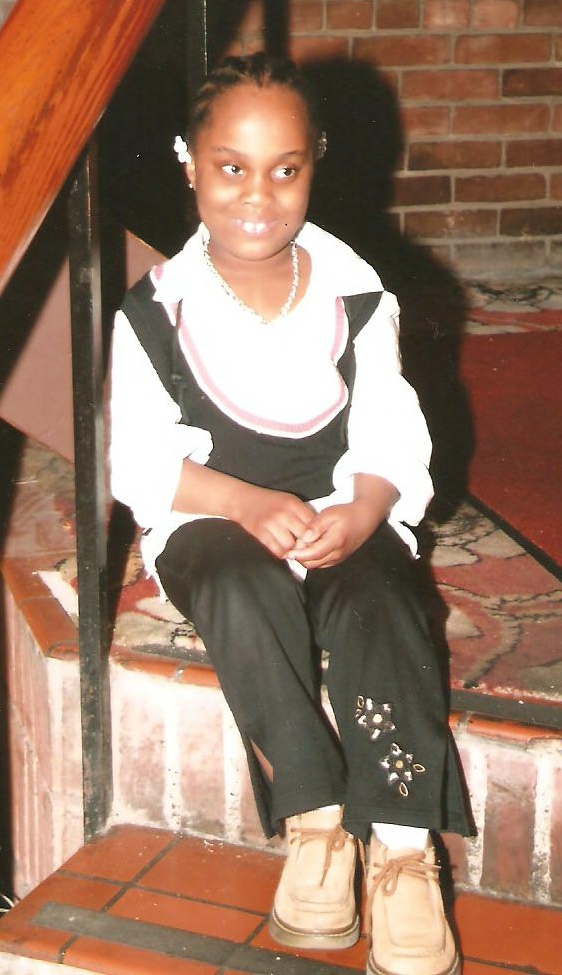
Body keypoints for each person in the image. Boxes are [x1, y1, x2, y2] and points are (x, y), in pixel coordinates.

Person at [109, 52, 472, 975]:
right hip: (213, 516)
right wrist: (241, 501)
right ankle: (315, 819)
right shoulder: (153, 312)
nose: (258, 196)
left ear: (316, 163)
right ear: (190, 163)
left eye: (285, 169)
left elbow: (390, 424)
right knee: (241, 589)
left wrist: (366, 507)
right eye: (232, 167)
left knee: (382, 599)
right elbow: (139, 458)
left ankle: (402, 846)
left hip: (339, 503)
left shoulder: (357, 296)